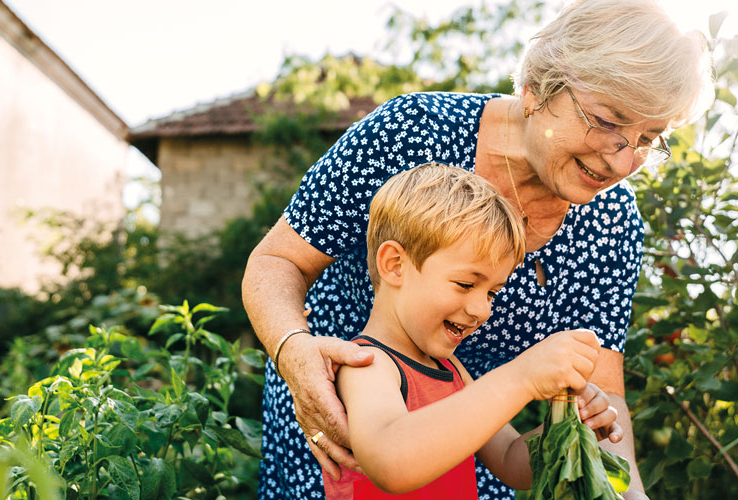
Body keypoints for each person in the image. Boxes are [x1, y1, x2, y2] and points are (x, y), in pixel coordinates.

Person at [242, 0, 712, 498]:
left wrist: (599, 455)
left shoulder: (610, 219)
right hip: (333, 445)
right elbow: (277, 261)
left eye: (648, 138)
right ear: (537, 90)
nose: (622, 161)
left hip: (466, 465)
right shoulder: (412, 132)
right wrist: (294, 353)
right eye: (608, 121)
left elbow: (597, 396)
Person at [323, 163, 606, 499]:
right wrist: (522, 377)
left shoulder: (451, 370)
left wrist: (564, 426)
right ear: (395, 265)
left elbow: (509, 461)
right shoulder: (367, 366)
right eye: (465, 283)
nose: (482, 310)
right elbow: (391, 464)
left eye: (491, 293)